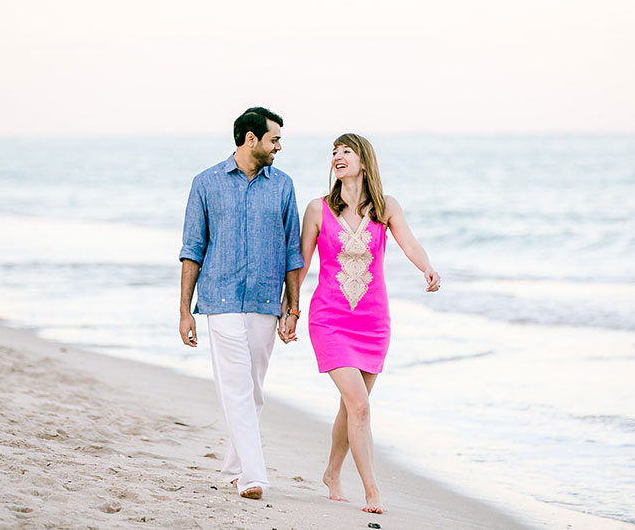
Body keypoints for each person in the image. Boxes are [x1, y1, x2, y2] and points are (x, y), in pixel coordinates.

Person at [297, 133, 440, 514]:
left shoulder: (386, 206)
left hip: (374, 322)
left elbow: (409, 242)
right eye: (334, 152)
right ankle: (373, 491)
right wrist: (289, 309)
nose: (337, 156)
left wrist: (426, 267)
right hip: (329, 319)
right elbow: (301, 264)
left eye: (346, 151)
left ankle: (331, 472)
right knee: (359, 406)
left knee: (352, 407)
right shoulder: (317, 209)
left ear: (364, 160)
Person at [178, 107, 303, 501]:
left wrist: (292, 307)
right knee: (235, 386)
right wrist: (184, 310)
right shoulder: (206, 183)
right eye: (274, 139)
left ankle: (233, 466)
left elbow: (292, 252)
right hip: (221, 297)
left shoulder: (283, 186)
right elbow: (192, 249)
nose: (279, 146)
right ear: (251, 139)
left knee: (253, 389)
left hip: (266, 299)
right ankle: (254, 475)